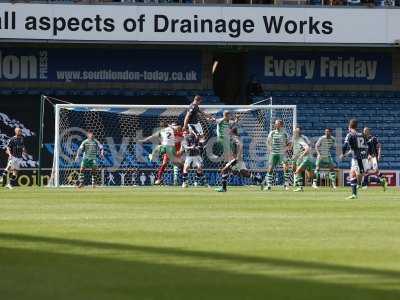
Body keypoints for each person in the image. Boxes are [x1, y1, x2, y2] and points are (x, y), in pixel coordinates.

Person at [216, 126, 262, 192]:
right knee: (244, 173)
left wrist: (238, 156)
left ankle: (224, 188)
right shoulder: (233, 137)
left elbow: (240, 145)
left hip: (236, 159)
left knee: (224, 170)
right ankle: (259, 180)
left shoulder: (235, 138)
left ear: (231, 131)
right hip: (237, 159)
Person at [340, 119, 369, 199]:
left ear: (349, 126)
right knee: (353, 173)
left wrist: (342, 154)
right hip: (364, 157)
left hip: (357, 158)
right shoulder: (362, 134)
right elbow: (365, 145)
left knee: (357, 174)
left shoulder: (350, 134)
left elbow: (345, 146)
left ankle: (360, 186)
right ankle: (354, 194)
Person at [265, 119, 290, 190]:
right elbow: (268, 142)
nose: (276, 125)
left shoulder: (285, 133)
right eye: (275, 123)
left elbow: (289, 143)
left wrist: (286, 148)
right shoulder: (272, 133)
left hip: (282, 153)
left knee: (286, 167)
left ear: (281, 125)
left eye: (277, 124)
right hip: (274, 153)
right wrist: (270, 148)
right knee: (270, 169)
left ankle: (286, 184)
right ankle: (269, 185)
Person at [292, 127, 317, 192]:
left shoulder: (302, 139)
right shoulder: (295, 138)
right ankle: (300, 185)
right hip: (300, 157)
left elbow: (308, 147)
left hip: (306, 157)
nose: (295, 132)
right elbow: (295, 147)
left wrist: (302, 155)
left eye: (296, 131)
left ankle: (312, 183)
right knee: (297, 170)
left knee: (301, 171)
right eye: (295, 131)